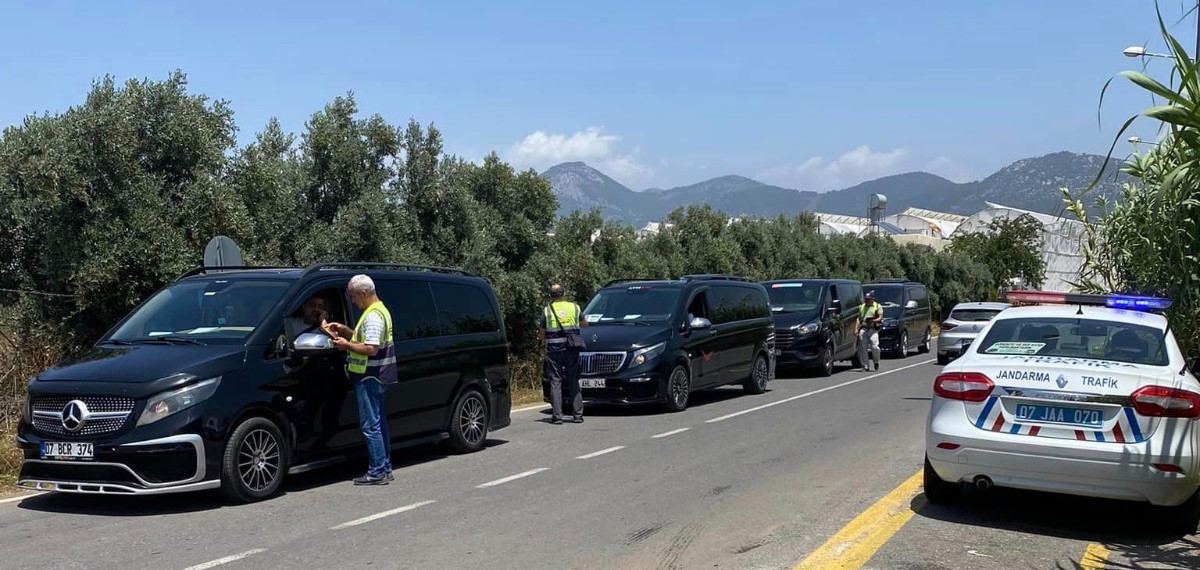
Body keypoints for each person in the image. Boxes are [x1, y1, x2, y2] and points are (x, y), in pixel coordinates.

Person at [322, 275, 397, 486]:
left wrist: (346, 345)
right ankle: (385, 468)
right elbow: (367, 339)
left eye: (353, 296)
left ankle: (377, 472)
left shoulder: (373, 315)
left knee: (370, 425)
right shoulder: (378, 311)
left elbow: (370, 349)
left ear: (364, 293)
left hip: (369, 375)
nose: (352, 301)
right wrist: (347, 331)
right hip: (377, 374)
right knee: (379, 423)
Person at [539, 283, 587, 425]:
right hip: (572, 348)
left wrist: (544, 342)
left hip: (554, 350)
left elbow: (542, 334)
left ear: (551, 295)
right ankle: (578, 415)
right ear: (563, 294)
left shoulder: (547, 310)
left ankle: (557, 416)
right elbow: (585, 324)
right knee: (573, 380)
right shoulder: (574, 307)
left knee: (555, 382)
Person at [855, 291, 883, 372]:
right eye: (866, 299)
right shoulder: (862, 307)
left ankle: (876, 361)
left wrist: (872, 320)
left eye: (869, 299)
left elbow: (880, 317)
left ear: (872, 299)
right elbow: (859, 318)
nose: (867, 300)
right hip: (863, 328)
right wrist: (856, 329)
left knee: (874, 346)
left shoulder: (877, 306)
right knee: (863, 348)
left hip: (873, 328)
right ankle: (865, 366)